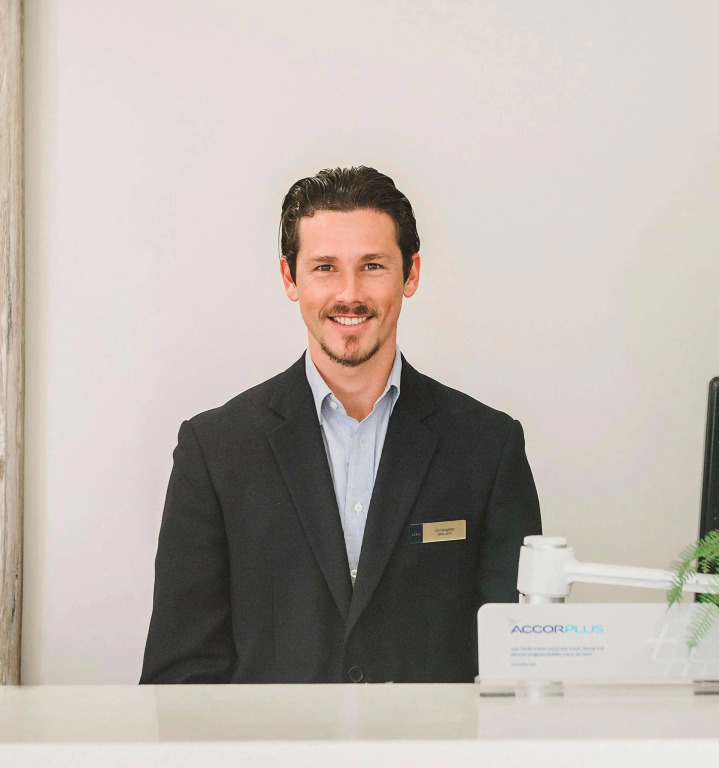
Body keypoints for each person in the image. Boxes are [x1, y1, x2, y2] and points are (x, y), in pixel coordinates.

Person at [140, 167, 543, 684]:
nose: (349, 293)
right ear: (290, 278)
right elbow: (179, 679)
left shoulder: (489, 446)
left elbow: (518, 663)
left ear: (411, 274)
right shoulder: (214, 451)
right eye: (325, 267)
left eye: (372, 265)